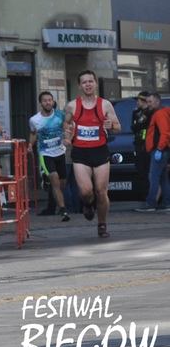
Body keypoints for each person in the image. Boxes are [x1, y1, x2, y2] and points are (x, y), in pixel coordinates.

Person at [61, 70, 121, 238]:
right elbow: (66, 123)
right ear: (79, 86)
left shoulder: (105, 105)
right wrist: (68, 132)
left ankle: (102, 224)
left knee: (101, 191)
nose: (87, 84)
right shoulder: (72, 106)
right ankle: (88, 204)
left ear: (95, 83)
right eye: (84, 82)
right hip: (81, 153)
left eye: (90, 81)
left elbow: (118, 127)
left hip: (100, 152)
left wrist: (111, 126)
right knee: (86, 191)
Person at [28, 90, 69, 221]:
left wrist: (68, 137)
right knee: (55, 181)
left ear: (53, 102)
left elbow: (69, 127)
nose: (47, 102)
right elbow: (33, 133)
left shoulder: (60, 115)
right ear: (41, 103)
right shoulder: (34, 120)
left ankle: (46, 179)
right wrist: (30, 145)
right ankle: (63, 210)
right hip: (45, 153)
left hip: (60, 152)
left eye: (49, 100)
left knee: (62, 184)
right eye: (45, 100)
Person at [135, 92, 170, 212]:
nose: (148, 104)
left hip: (159, 149)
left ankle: (150, 203)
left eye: (150, 101)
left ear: (157, 102)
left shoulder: (159, 114)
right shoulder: (162, 112)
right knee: (162, 178)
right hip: (161, 149)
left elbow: (164, 133)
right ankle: (166, 202)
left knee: (153, 177)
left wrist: (159, 148)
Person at [131, 90, 153, 196]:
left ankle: (147, 196)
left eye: (138, 100)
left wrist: (136, 115)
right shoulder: (140, 113)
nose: (137, 103)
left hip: (145, 146)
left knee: (145, 171)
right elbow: (134, 126)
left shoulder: (147, 114)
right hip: (139, 145)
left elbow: (136, 127)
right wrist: (134, 114)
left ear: (143, 101)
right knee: (141, 170)